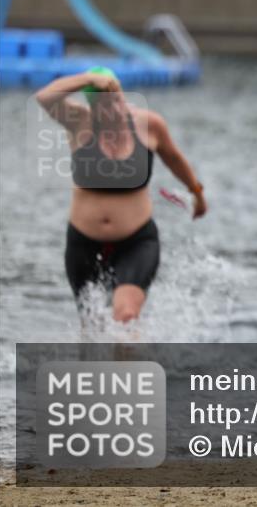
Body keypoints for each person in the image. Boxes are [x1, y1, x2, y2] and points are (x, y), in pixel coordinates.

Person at [35, 67, 207, 323]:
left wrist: (197, 193)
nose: (113, 110)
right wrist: (88, 79)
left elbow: (174, 158)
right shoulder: (79, 122)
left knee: (126, 315)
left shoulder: (149, 125)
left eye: (116, 101)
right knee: (92, 326)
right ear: (93, 109)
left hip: (136, 241)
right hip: (83, 244)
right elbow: (44, 97)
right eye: (104, 107)